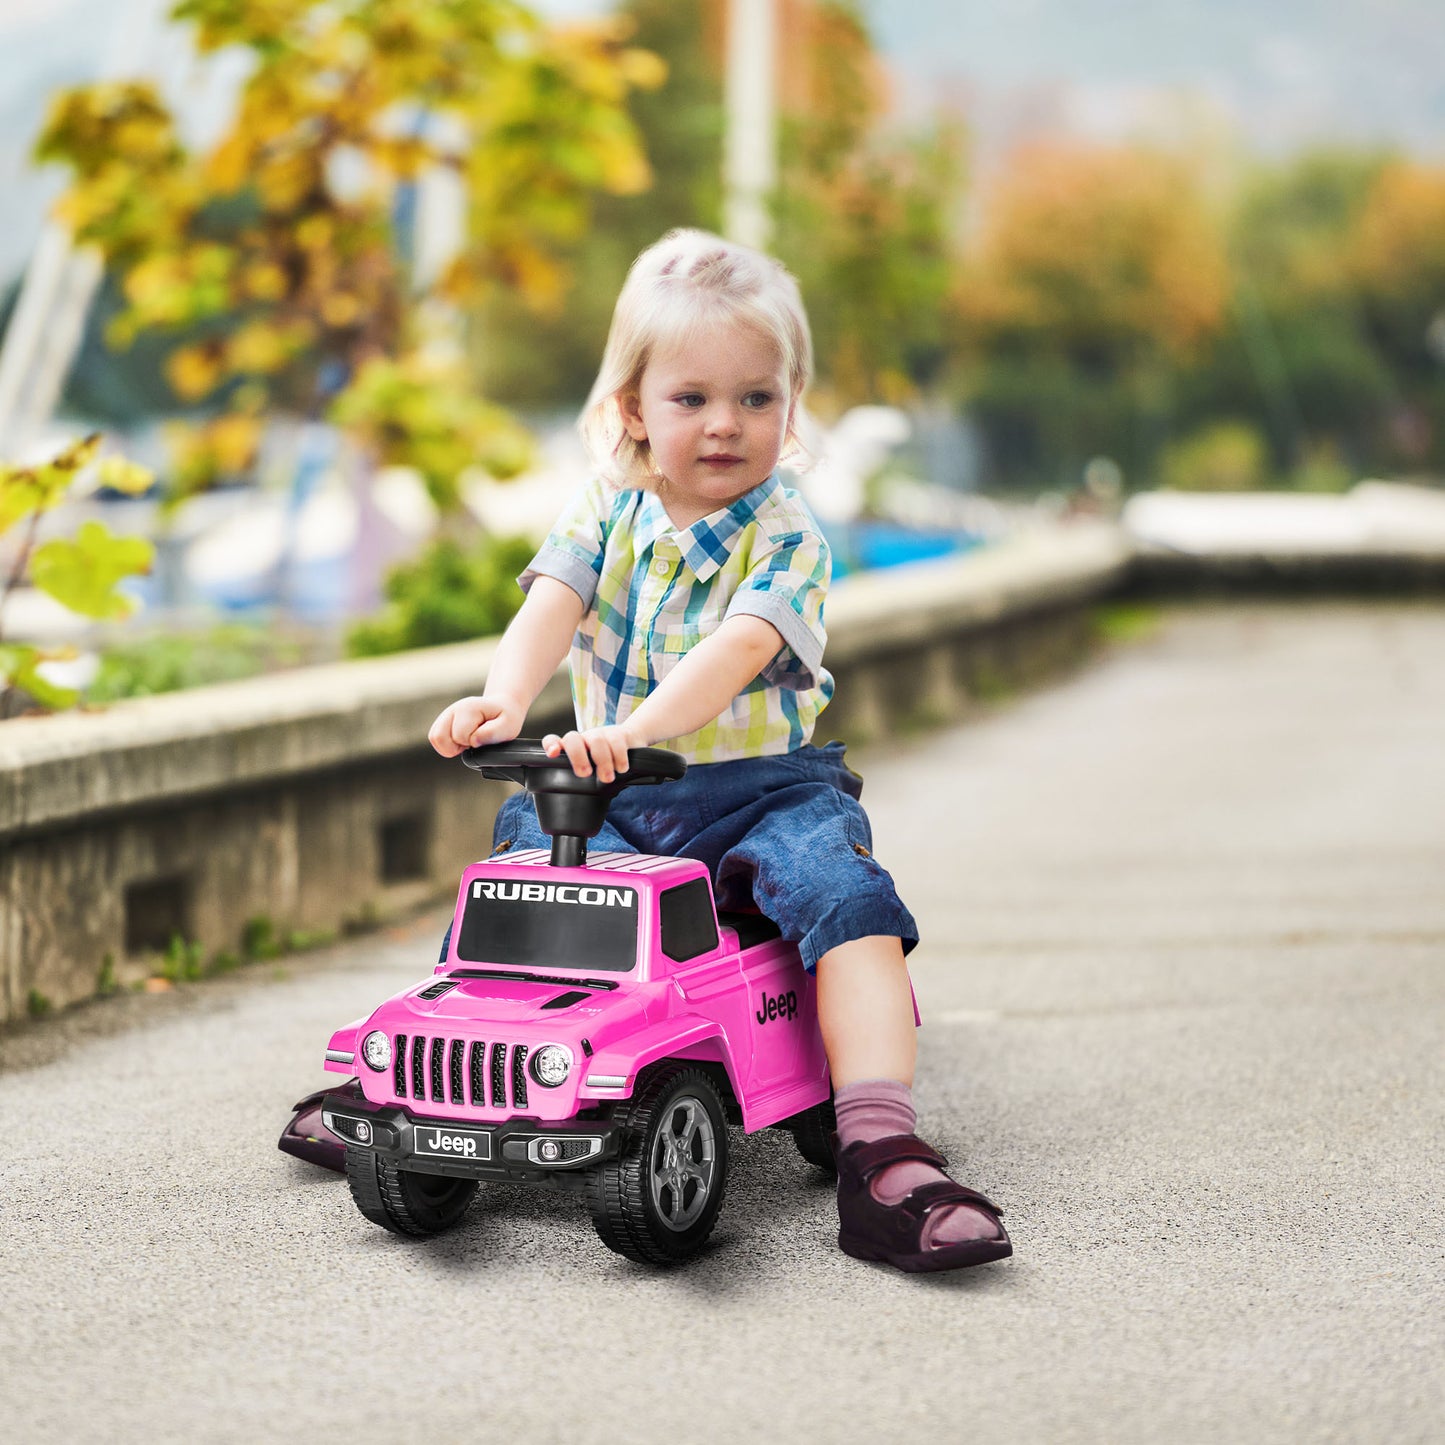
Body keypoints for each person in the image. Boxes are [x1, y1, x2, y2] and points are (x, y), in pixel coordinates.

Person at [429, 228, 1010, 1273]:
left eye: (755, 397)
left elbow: (737, 648)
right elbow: (553, 601)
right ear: (631, 410)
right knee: (517, 877)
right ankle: (441, 1074)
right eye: (690, 397)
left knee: (844, 895)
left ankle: (880, 1141)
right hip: (611, 788)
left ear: (791, 405)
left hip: (760, 787)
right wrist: (501, 697)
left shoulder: (786, 533)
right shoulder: (606, 504)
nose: (723, 424)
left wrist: (640, 724)